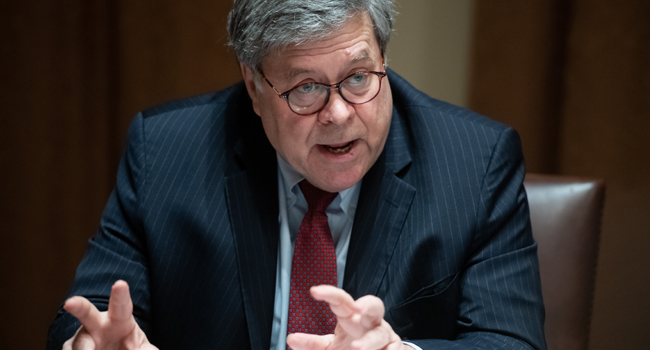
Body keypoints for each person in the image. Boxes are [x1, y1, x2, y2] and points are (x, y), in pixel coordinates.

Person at [47, 0, 546, 349]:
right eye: (306, 88)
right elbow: (90, 313)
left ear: (383, 59)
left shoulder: (475, 162)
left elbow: (511, 340)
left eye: (357, 78)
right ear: (254, 84)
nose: (339, 115)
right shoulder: (165, 152)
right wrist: (91, 343)